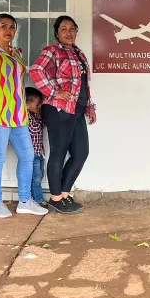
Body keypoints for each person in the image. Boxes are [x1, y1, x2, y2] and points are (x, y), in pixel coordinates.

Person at [0, 13, 48, 219]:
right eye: (3, 26)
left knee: (28, 156)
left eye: (12, 27)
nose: (8, 30)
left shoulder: (16, 53)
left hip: (19, 115)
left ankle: (24, 201)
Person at [30, 16, 97, 214]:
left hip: (77, 109)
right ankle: (56, 197)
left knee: (81, 152)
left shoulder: (79, 54)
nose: (69, 32)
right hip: (58, 109)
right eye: (63, 29)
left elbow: (84, 85)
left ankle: (65, 194)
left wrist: (90, 106)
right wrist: (53, 91)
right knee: (58, 152)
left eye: (72, 29)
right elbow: (36, 70)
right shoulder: (52, 51)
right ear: (57, 33)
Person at [26, 87, 46, 206]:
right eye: (37, 104)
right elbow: (34, 129)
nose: (39, 107)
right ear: (27, 105)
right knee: (36, 179)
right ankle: (38, 200)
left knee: (39, 176)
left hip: (39, 152)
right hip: (32, 154)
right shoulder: (27, 117)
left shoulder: (35, 116)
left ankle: (35, 198)